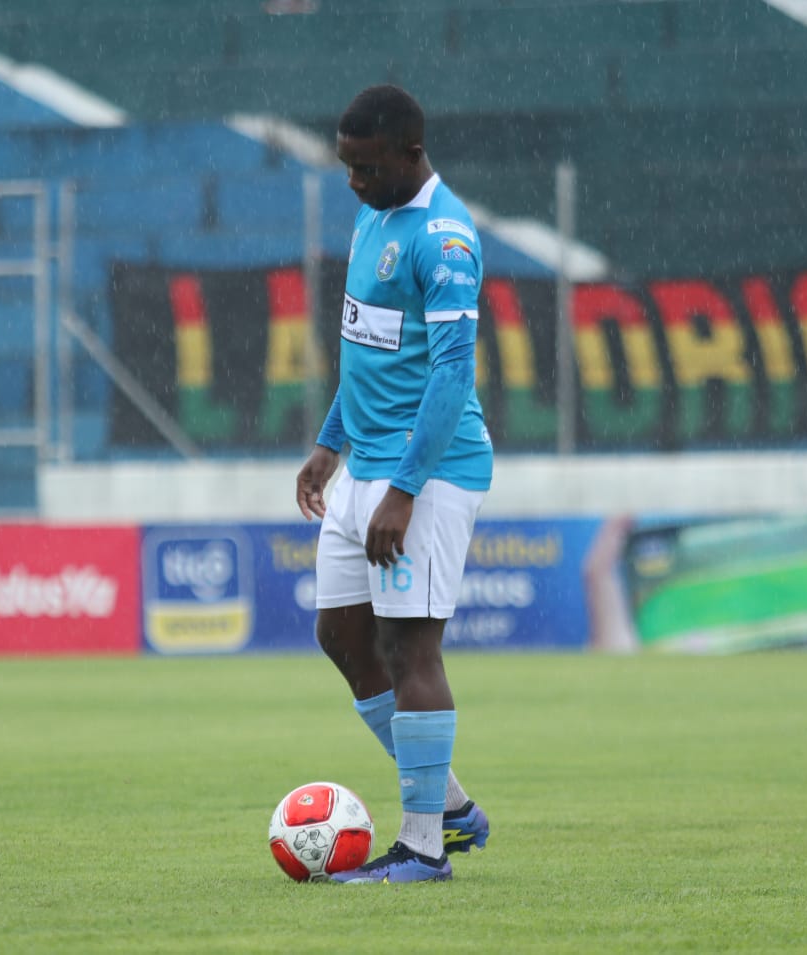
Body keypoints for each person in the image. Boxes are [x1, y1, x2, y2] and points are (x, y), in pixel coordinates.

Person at [295, 84, 493, 884]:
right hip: (364, 465)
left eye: (365, 166)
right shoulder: (372, 213)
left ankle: (422, 849)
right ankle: (450, 804)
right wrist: (328, 444)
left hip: (430, 472)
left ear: (411, 154)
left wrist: (405, 489)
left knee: (412, 648)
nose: (352, 180)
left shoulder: (445, 241)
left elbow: (451, 371)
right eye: (345, 165)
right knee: (341, 635)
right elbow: (368, 347)